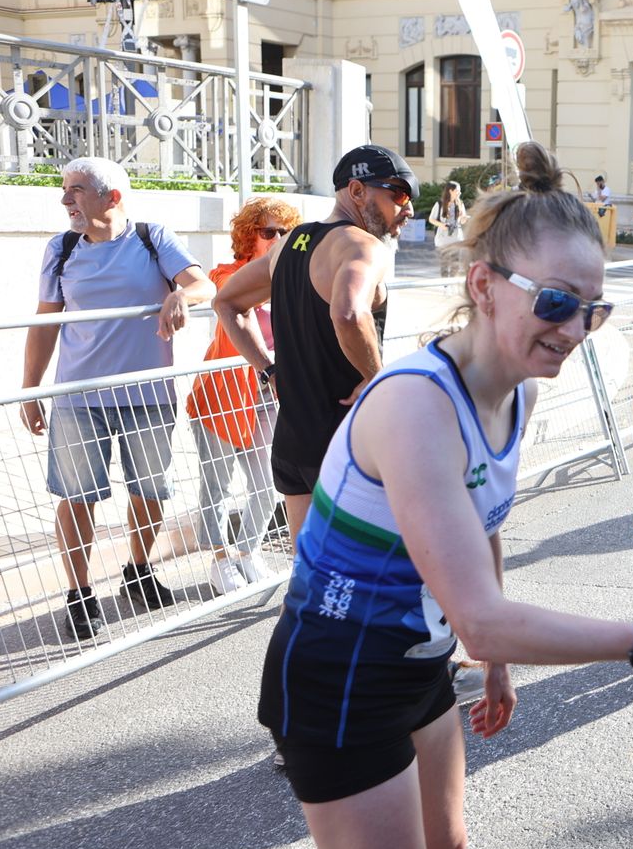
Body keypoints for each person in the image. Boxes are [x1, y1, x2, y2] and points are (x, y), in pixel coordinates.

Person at [256, 142, 633, 849]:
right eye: (557, 303)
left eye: (591, 311)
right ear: (483, 287)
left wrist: (492, 667)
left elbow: (482, 529)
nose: (574, 331)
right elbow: (486, 620)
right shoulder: (416, 405)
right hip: (339, 672)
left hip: (418, 659)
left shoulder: (513, 388)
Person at [20, 156, 215, 639]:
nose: (66, 199)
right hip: (78, 399)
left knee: (149, 491)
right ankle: (80, 593)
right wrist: (30, 389)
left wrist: (178, 296)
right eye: (65, 190)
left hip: (148, 396)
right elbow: (44, 323)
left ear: (113, 197)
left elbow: (203, 284)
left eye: (77, 190)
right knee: (75, 497)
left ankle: (139, 569)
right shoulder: (61, 249)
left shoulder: (152, 238)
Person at [214, 144, 409, 536]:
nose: (407, 210)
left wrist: (268, 370)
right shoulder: (361, 246)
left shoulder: (288, 244)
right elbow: (349, 314)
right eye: (398, 196)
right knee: (362, 571)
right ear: (357, 191)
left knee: (310, 573)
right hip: (346, 437)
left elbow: (227, 302)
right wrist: (377, 377)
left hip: (294, 438)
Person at [185, 197, 301, 594]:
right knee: (216, 484)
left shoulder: (292, 280)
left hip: (270, 397)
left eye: (285, 232)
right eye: (269, 232)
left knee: (268, 484)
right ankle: (219, 558)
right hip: (222, 397)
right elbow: (234, 305)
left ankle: (248, 550)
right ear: (249, 236)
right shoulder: (227, 273)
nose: (278, 238)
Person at [431, 180, 468, 277]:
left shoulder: (460, 204)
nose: (460, 193)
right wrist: (441, 225)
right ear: (450, 191)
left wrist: (464, 218)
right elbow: (431, 219)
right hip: (443, 238)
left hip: (456, 237)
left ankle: (451, 284)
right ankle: (445, 286)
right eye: (458, 190)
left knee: (455, 264)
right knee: (444, 264)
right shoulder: (439, 204)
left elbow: (461, 221)